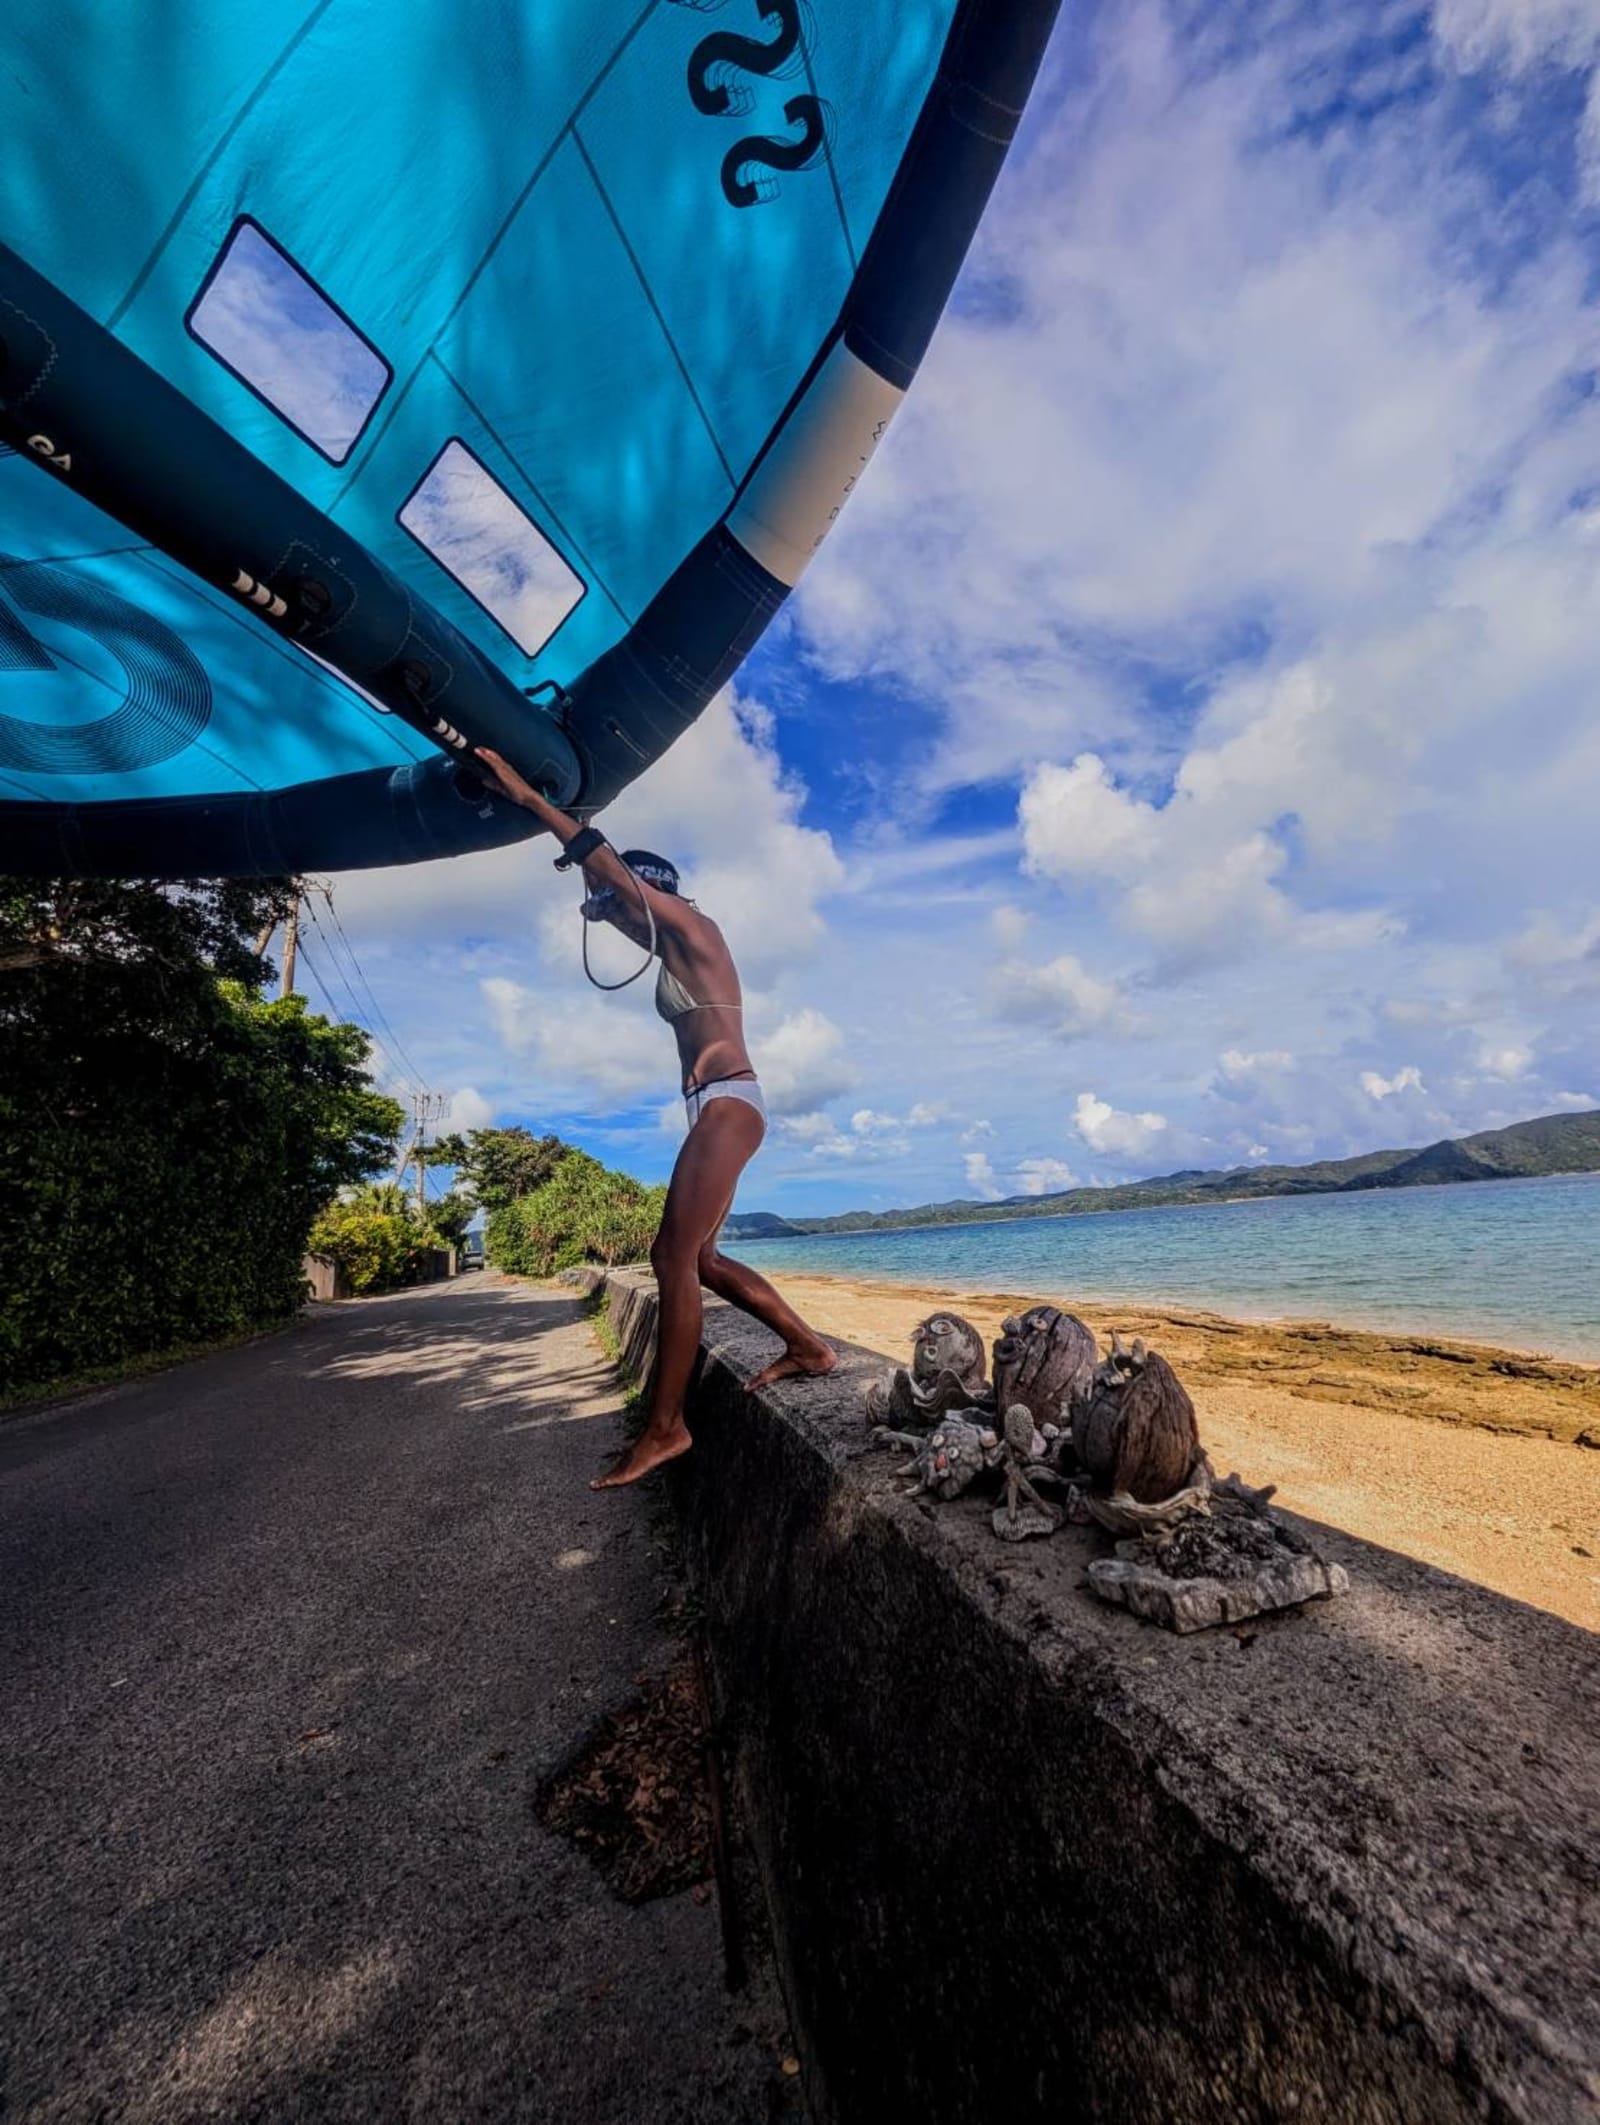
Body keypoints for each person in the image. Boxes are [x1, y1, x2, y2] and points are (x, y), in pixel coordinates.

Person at [473, 748, 836, 1488]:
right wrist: (600, 902)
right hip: (719, 1105)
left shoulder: (695, 927)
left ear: (653, 893)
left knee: (669, 1257)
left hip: (730, 1102)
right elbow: (611, 892)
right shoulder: (669, 946)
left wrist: (527, 798)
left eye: (624, 907)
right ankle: (809, 1345)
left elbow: (606, 866)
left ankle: (667, 1429)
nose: (616, 921)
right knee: (699, 1258)